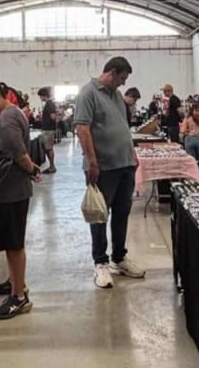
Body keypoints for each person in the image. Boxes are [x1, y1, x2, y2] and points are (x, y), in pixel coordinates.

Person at [74, 56, 146, 289]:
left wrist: (132, 155)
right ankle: (101, 262)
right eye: (122, 78)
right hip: (103, 168)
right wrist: (92, 161)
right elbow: (83, 129)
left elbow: (123, 128)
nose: (123, 84)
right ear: (112, 72)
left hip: (124, 165)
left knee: (122, 213)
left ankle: (119, 258)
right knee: (99, 215)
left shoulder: (116, 96)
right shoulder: (88, 94)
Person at [0, 80, 39, 318]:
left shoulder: (8, 119)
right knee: (10, 243)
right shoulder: (9, 115)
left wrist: (31, 170)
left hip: (9, 192)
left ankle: (19, 297)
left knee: (14, 245)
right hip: (5, 190)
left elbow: (19, 153)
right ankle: (15, 282)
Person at [37, 87, 58, 173]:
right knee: (48, 148)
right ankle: (51, 166)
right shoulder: (49, 104)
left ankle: (52, 167)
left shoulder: (49, 104)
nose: (40, 98)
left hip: (48, 130)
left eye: (40, 96)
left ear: (44, 95)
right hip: (48, 129)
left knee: (49, 148)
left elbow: (53, 116)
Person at [181, 106, 199, 173]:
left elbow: (182, 130)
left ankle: (193, 174)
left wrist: (187, 132)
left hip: (189, 139)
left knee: (191, 160)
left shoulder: (187, 119)